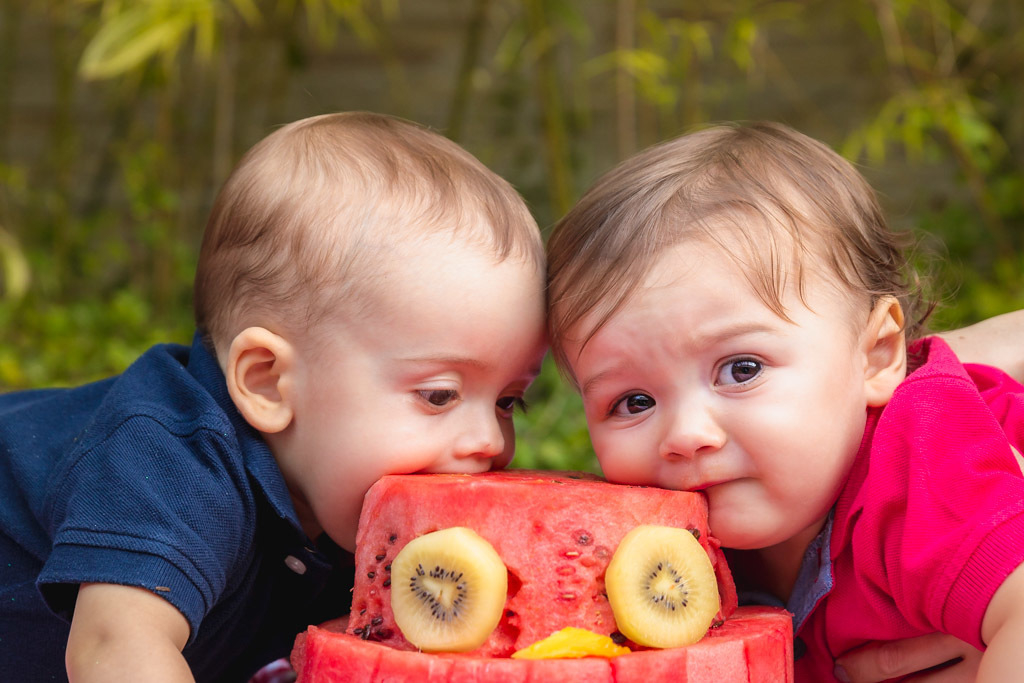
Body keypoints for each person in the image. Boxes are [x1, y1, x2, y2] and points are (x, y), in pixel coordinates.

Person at [0, 112, 547, 682]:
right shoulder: (169, 461)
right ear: (267, 382)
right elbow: (114, 648)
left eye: (509, 400)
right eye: (439, 395)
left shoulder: (341, 498)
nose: (489, 439)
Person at [545, 121, 1024, 681]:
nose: (685, 434)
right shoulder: (666, 543)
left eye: (740, 370)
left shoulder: (923, 467)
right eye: (633, 402)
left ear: (875, 356)